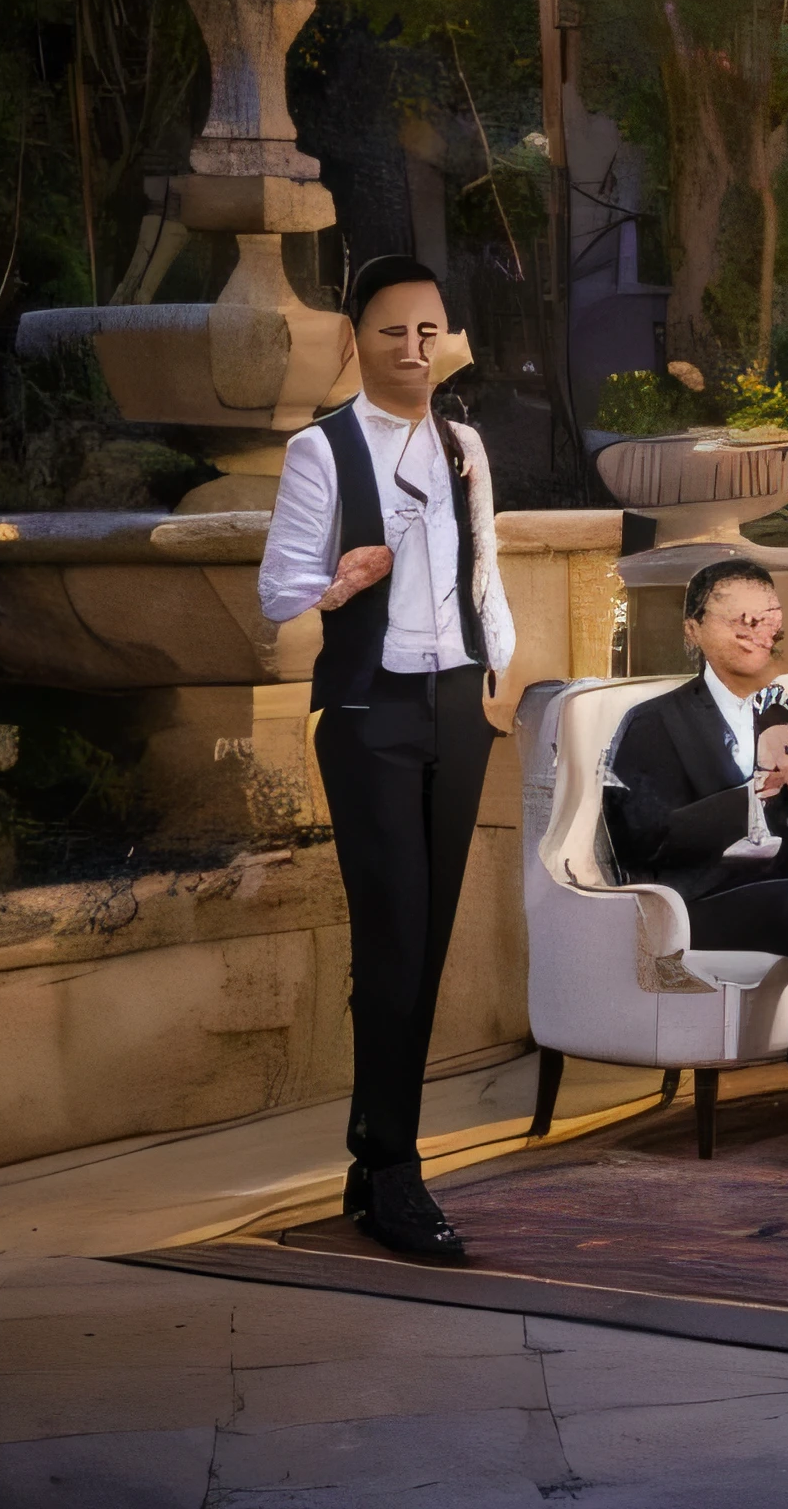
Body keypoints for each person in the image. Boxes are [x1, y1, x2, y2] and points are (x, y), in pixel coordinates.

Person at [258, 255, 517, 1261]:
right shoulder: (322, 451)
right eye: (392, 332)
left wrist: (499, 666)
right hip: (369, 712)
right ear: (352, 341)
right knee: (393, 940)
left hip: (458, 709)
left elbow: (485, 564)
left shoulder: (465, 444)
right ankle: (396, 1170)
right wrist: (337, 581)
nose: (413, 351)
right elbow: (277, 592)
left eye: (428, 332)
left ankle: (376, 1160)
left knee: (431, 935)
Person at [602, 559, 788, 1179]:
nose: (762, 633)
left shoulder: (784, 713)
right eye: (743, 621)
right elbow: (644, 838)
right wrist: (749, 795)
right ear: (694, 629)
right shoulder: (654, 722)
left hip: (777, 892)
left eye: (771, 619)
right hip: (695, 904)